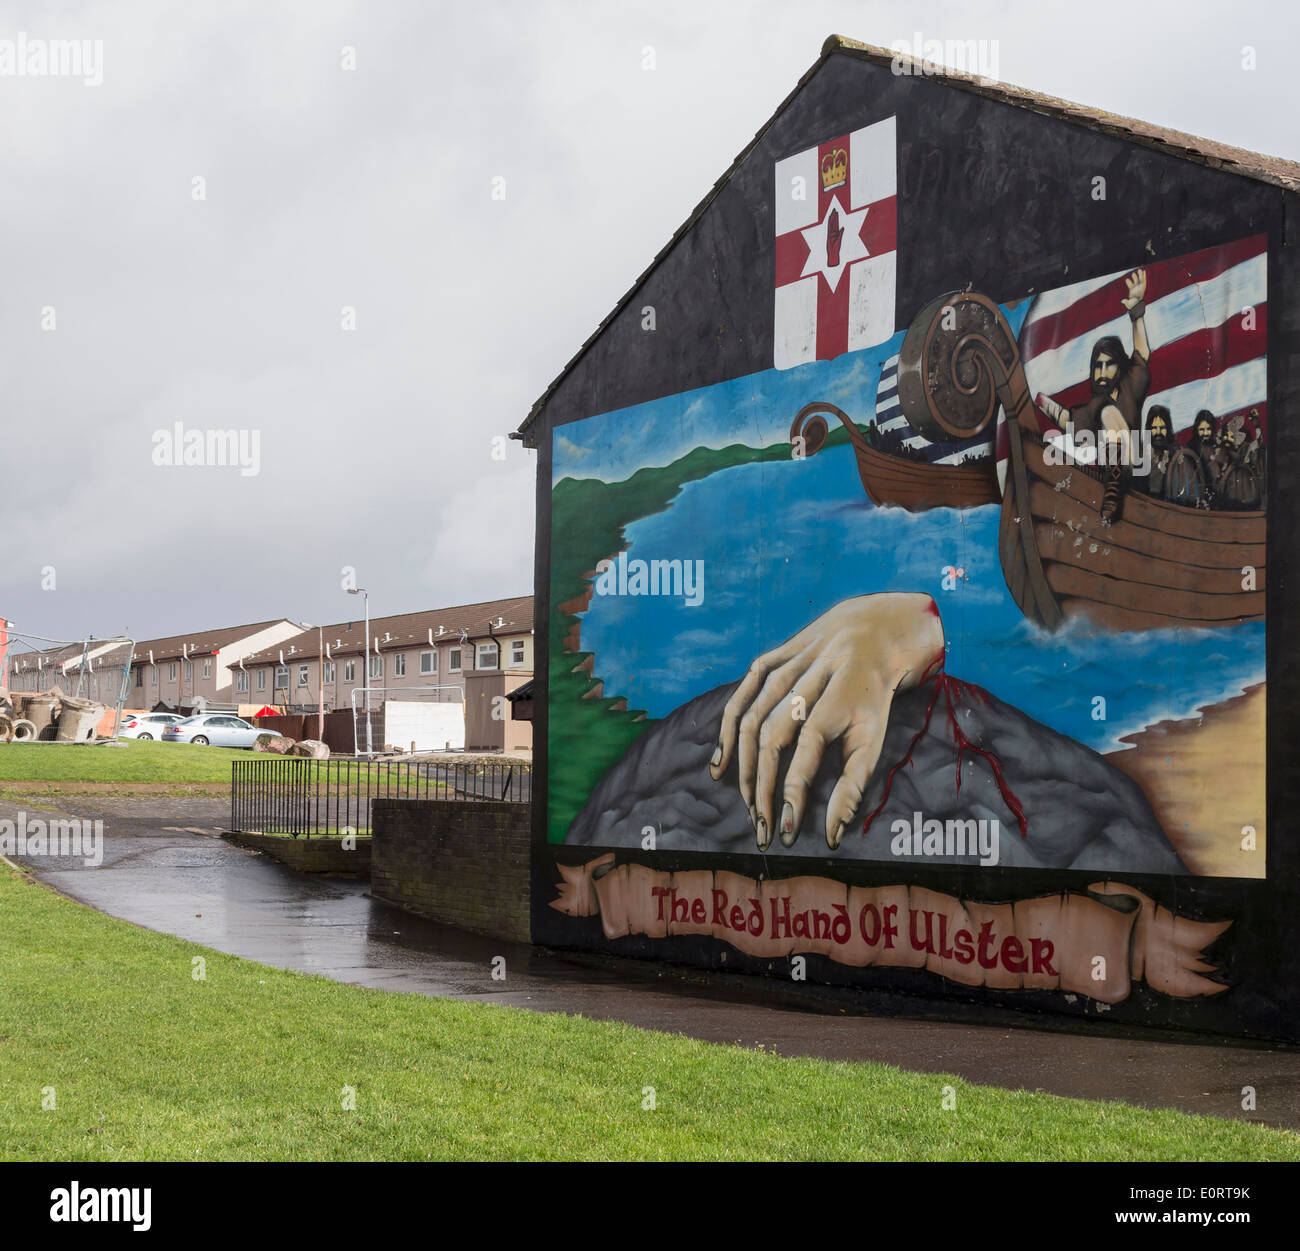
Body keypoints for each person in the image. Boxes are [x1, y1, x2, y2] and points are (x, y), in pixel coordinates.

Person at [1035, 270, 1150, 523]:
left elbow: (1141, 351)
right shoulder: (1094, 406)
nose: (1101, 371)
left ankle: (1116, 484)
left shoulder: (1131, 385)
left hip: (1139, 470)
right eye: (1097, 366)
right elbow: (1065, 419)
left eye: (1108, 365)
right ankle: (1113, 486)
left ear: (1119, 366)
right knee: (1104, 409)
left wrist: (1136, 313)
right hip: (1112, 480)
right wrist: (1037, 399)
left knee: (1108, 410)